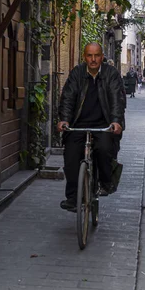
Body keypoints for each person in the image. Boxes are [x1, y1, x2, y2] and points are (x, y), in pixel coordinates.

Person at [57, 42, 124, 212]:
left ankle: (105, 182)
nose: (93, 60)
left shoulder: (111, 74)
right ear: (84, 57)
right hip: (78, 124)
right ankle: (73, 198)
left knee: (104, 149)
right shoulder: (77, 74)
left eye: (96, 56)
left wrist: (116, 121)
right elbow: (68, 98)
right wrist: (64, 120)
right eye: (89, 55)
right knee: (71, 156)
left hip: (104, 124)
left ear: (102, 57)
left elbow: (117, 99)